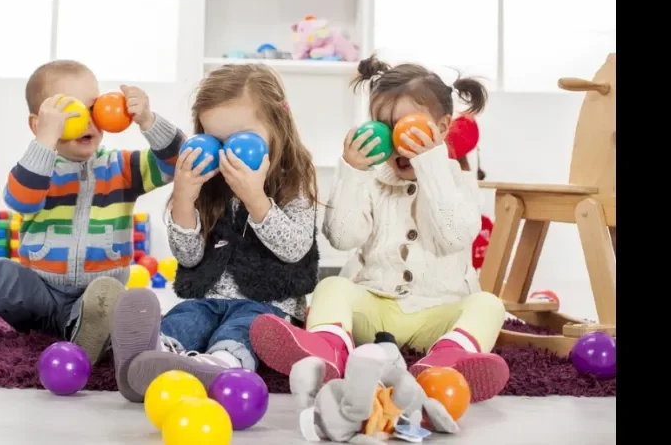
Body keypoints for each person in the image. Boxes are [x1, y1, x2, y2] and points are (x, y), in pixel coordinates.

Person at [0, 60, 185, 367]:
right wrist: (45, 142)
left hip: (89, 300)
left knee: (109, 297)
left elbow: (178, 161)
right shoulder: (38, 169)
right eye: (71, 113)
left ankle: (86, 335)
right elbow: (21, 199)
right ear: (39, 124)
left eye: (93, 108)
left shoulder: (122, 168)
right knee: (1, 271)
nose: (86, 121)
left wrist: (148, 120)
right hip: (37, 294)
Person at [250, 55, 509, 403]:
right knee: (332, 287)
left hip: (439, 311)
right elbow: (342, 237)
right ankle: (327, 350)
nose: (398, 141)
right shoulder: (372, 179)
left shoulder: (457, 181)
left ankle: (447, 359)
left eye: (410, 127)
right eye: (385, 127)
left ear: (443, 128)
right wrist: (352, 172)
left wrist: (430, 165)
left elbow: (453, 238)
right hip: (375, 308)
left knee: (489, 305)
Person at [109, 64, 320, 402]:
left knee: (245, 328)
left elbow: (295, 249)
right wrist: (184, 198)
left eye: (240, 140)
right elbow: (189, 257)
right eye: (214, 140)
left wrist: (256, 200)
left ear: (277, 124)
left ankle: (220, 364)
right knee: (186, 318)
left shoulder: (295, 179)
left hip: (268, 303)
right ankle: (151, 356)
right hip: (208, 299)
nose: (225, 154)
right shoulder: (207, 182)